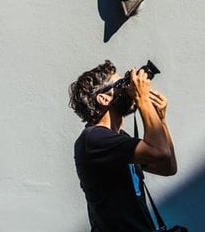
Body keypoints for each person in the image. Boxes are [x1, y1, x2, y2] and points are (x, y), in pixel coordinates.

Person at [69, 60, 177, 232]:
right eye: (120, 84)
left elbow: (168, 166)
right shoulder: (94, 139)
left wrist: (161, 120)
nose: (128, 88)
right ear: (103, 98)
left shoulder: (118, 138)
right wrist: (142, 99)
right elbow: (160, 152)